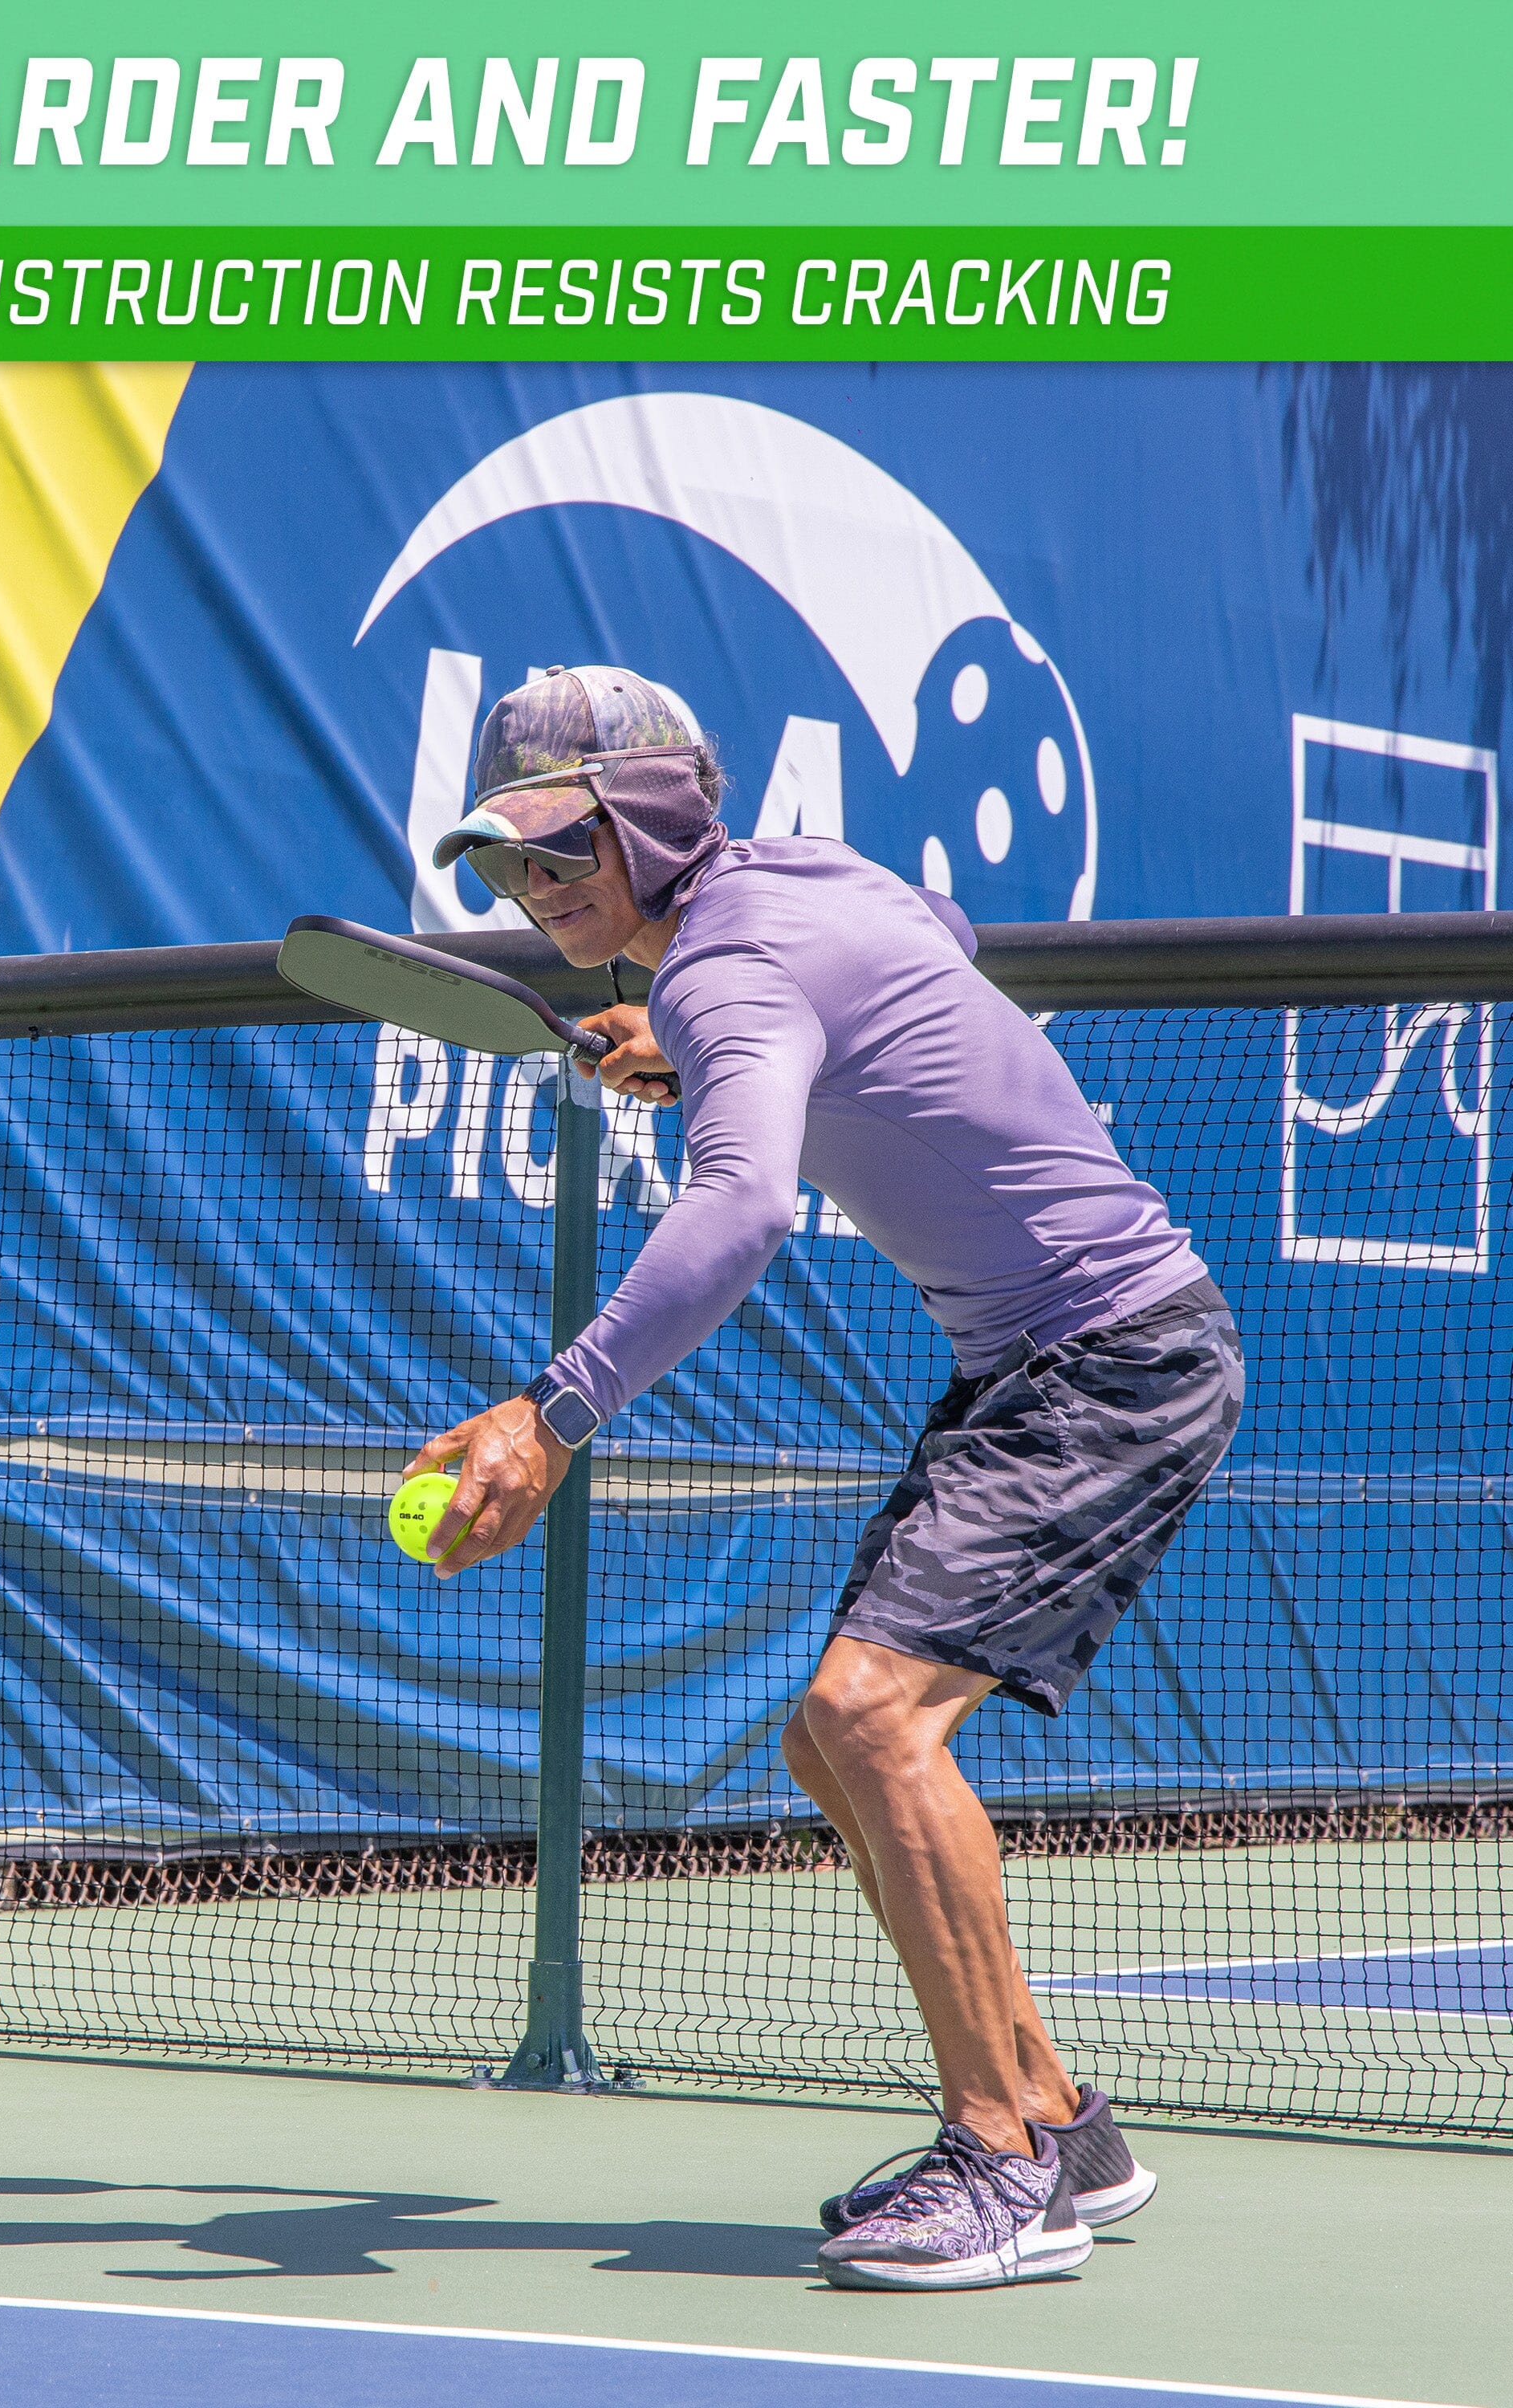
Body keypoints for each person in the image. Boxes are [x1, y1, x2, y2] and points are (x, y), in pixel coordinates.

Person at [405, 665, 1243, 2294]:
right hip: (1054, 1356)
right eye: (507, 864)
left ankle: (997, 2165)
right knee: (831, 1742)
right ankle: (1064, 2129)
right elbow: (938, 938)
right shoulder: (800, 882)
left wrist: (547, 1418)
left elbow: (742, 1214)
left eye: (566, 848)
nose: (536, 888)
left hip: (1111, 1354)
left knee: (871, 1720)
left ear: (649, 816)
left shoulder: (734, 970)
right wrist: (723, 1038)